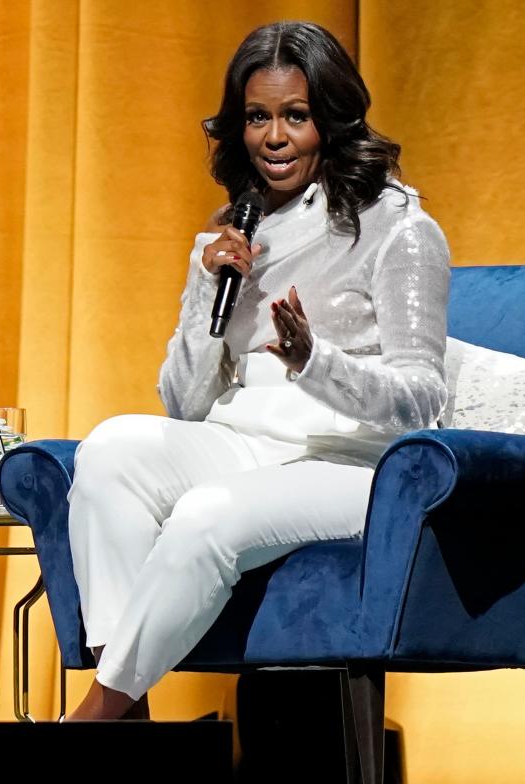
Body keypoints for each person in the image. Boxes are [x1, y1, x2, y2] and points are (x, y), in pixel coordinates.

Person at [64, 20, 450, 721]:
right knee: (111, 449)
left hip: (351, 463)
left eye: (295, 117)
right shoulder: (230, 233)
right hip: (243, 442)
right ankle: (133, 713)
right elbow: (184, 404)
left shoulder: (399, 228)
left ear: (329, 121)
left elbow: (423, 400)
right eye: (258, 117)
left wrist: (314, 362)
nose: (274, 138)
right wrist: (205, 292)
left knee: (208, 514)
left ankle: (94, 715)